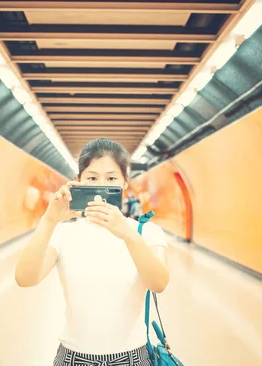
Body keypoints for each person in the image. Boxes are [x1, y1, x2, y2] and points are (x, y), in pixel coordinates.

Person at [14, 138, 170, 366]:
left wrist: (127, 234)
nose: (101, 185)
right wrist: (49, 219)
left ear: (125, 183)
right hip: (73, 358)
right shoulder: (63, 233)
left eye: (111, 178)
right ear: (78, 182)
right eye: (92, 178)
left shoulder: (146, 231)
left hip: (132, 358)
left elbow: (159, 283)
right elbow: (25, 278)